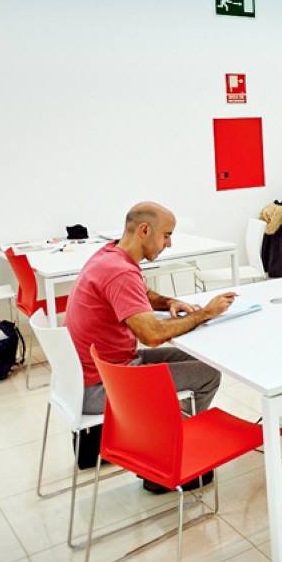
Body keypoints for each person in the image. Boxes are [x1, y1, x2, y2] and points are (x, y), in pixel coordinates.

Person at [66, 202, 235, 492]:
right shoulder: (120, 272)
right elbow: (152, 335)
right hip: (106, 384)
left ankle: (164, 442)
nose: (168, 244)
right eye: (166, 235)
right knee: (209, 375)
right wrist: (204, 313)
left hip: (93, 373)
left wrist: (169, 302)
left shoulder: (110, 256)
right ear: (145, 230)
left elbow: (143, 294)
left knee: (199, 359)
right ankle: (170, 462)